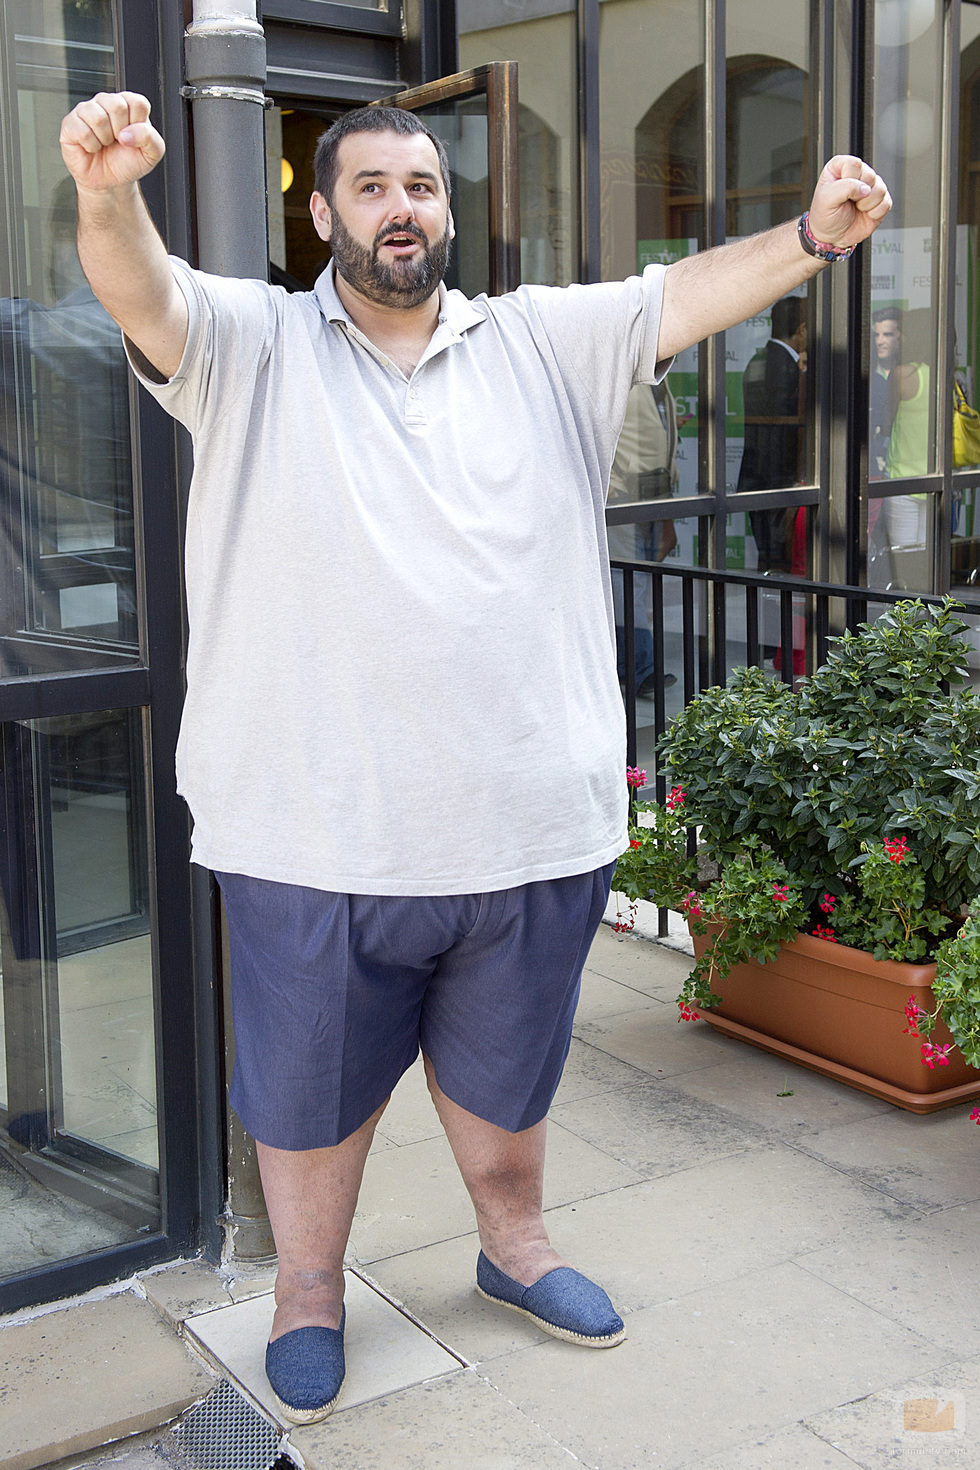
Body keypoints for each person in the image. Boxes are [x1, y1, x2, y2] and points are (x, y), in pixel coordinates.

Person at [58, 89, 891, 1424]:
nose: (402, 209)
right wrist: (107, 192)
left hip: (529, 823)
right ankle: (308, 1292)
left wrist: (810, 236)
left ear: (448, 210)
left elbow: (682, 294)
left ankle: (516, 1248)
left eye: (423, 186)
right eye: (372, 186)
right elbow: (137, 286)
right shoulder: (250, 343)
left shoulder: (537, 339)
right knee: (308, 1099)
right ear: (322, 214)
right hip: (317, 831)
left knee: (508, 1079)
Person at [607, 378, 679, 696]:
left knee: (634, 583)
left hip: (651, 491)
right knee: (628, 583)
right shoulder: (619, 373)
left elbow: (661, 438)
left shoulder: (656, 379)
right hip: (623, 493)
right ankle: (641, 667)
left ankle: (629, 665)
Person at [736, 293, 807, 573]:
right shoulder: (786, 368)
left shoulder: (760, 360)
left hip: (759, 479)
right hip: (779, 483)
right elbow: (784, 429)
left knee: (770, 563)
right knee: (780, 566)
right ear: (802, 329)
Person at [869, 305, 902, 478]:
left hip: (906, 470)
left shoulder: (916, 375)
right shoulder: (867, 378)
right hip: (871, 470)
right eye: (876, 335)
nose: (880, 341)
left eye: (887, 334)